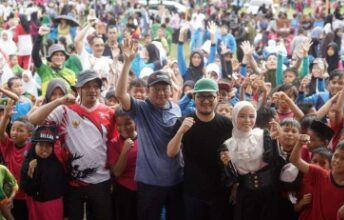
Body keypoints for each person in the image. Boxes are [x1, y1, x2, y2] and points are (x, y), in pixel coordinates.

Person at [28, 69, 118, 220]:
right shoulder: (65, 110)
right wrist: (58, 101)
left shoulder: (108, 112)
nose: (92, 90)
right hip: (73, 182)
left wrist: (113, 179)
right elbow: (33, 120)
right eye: (87, 86)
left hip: (101, 180)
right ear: (78, 89)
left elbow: (113, 146)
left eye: (96, 86)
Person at [116, 38, 183, 220]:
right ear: (148, 91)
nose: (161, 92)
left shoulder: (176, 108)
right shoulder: (141, 109)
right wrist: (127, 62)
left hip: (176, 180)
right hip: (150, 183)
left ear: (171, 90)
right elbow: (121, 94)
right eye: (156, 89)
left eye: (164, 88)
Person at [167, 78, 233, 220]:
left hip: (220, 191)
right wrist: (181, 132)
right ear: (194, 98)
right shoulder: (183, 122)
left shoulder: (227, 124)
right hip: (193, 191)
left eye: (210, 96)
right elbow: (171, 152)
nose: (206, 100)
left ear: (217, 98)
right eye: (201, 96)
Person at [220, 101, 284, 220]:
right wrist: (228, 165)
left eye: (251, 116)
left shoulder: (262, 134)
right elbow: (232, 180)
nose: (247, 120)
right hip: (246, 197)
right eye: (242, 116)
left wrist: (275, 141)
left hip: (268, 193)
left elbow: (275, 163)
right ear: (234, 117)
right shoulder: (227, 145)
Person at [290, 137, 344, 220]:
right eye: (335, 156)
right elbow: (294, 160)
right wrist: (299, 143)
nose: (337, 160)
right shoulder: (320, 174)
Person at [20, 125, 67, 220]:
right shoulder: (29, 163)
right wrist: (29, 175)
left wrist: (66, 213)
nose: (44, 149)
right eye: (41, 144)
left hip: (54, 207)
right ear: (34, 145)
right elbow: (26, 189)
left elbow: (64, 189)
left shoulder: (58, 164)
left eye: (48, 145)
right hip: (35, 207)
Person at [0, 100, 34, 219]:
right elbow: (1, 132)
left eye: (20, 130)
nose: (15, 132)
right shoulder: (8, 145)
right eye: (13, 129)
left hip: (27, 195)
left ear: (29, 134)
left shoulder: (31, 147)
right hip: (11, 195)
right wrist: (6, 116)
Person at [107, 107, 138, 220]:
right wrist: (124, 151)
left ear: (135, 121)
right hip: (124, 192)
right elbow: (117, 172)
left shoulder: (144, 138)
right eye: (119, 125)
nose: (123, 128)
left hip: (145, 190)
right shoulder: (114, 143)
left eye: (128, 123)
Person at [32, 26, 76, 95]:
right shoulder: (44, 70)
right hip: (48, 105)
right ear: (50, 58)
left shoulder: (71, 73)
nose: (59, 57)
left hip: (65, 105)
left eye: (61, 55)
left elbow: (73, 93)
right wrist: (39, 36)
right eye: (55, 55)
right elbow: (35, 55)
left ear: (65, 57)